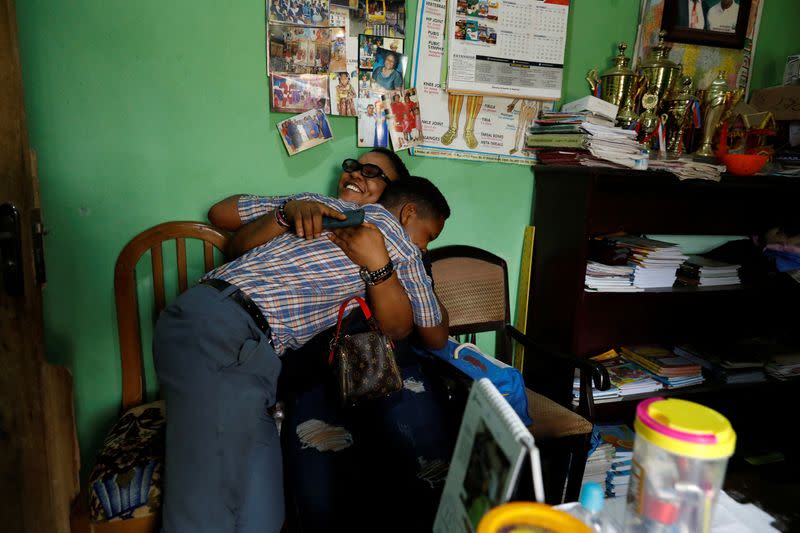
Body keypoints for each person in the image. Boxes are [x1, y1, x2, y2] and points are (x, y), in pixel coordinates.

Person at [156, 171, 449, 533]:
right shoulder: (400, 245)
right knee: (204, 513)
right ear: (407, 215)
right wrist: (287, 213)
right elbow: (430, 333)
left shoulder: (323, 206)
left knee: (261, 512)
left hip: (244, 346)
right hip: (227, 332)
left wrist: (287, 210)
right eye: (429, 237)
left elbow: (224, 217)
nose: (425, 249)